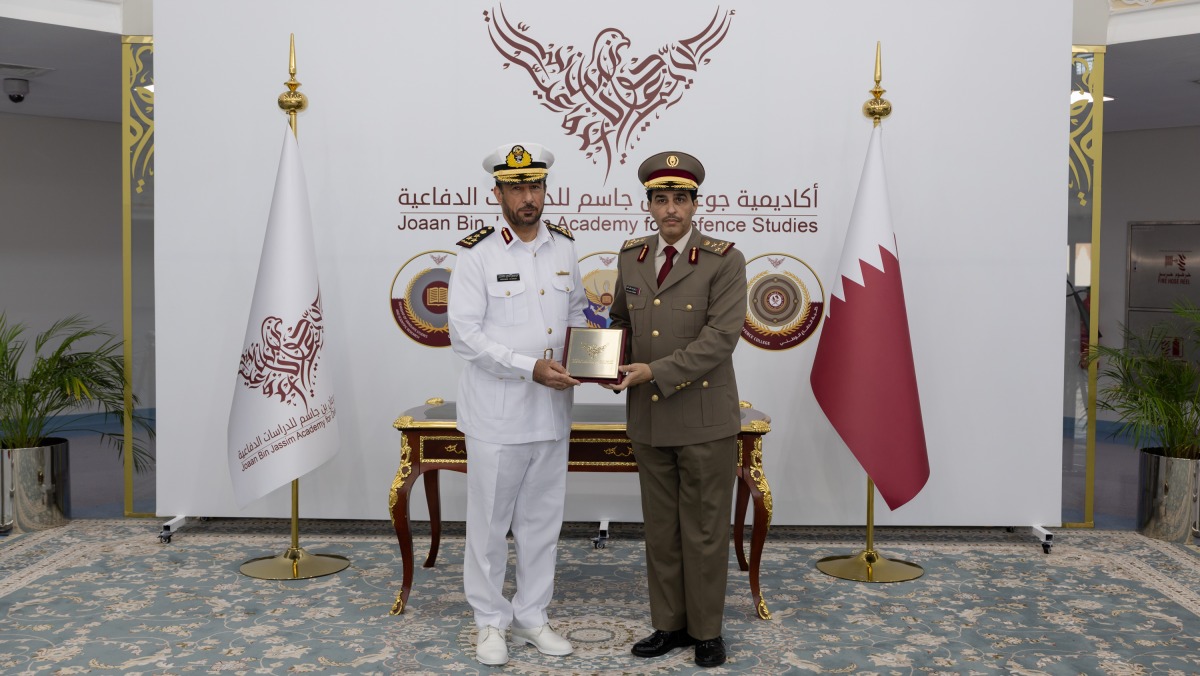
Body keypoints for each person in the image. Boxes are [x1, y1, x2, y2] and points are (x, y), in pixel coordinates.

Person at [604, 151, 747, 668]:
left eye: (680, 199)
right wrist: (602, 360)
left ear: (694, 204)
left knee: (705, 531)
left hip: (705, 419)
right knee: (660, 529)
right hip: (647, 418)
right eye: (660, 199)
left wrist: (651, 372)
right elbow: (620, 320)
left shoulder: (724, 259)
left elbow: (721, 339)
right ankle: (668, 625)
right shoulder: (632, 257)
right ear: (648, 205)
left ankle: (706, 631)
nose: (671, 210)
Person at [447, 141, 586, 666]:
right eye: (517, 187)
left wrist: (596, 355)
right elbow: (464, 335)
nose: (529, 197)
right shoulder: (476, 253)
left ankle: (531, 615)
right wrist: (530, 367)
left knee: (541, 522)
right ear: (498, 192)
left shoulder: (564, 247)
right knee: (488, 525)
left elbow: (575, 314)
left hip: (552, 412)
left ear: (546, 189)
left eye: (536, 186)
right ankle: (489, 621)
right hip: (497, 415)